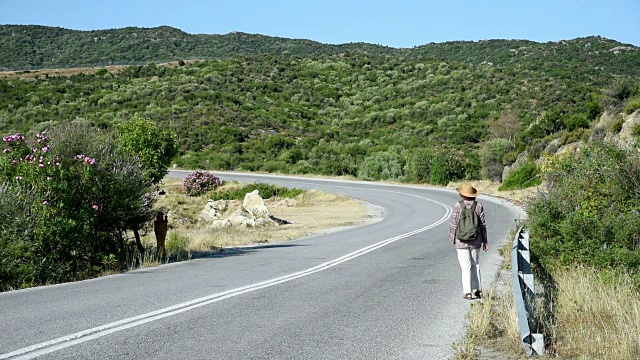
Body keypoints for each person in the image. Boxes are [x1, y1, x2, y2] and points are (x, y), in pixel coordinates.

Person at [448, 184, 488, 300]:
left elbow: (453, 224)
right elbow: (482, 225)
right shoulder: (479, 206)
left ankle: (468, 293)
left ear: (462, 195)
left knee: (465, 267)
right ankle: (477, 291)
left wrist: (452, 238)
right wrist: (485, 240)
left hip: (461, 241)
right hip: (476, 240)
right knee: (476, 264)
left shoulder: (457, 206)